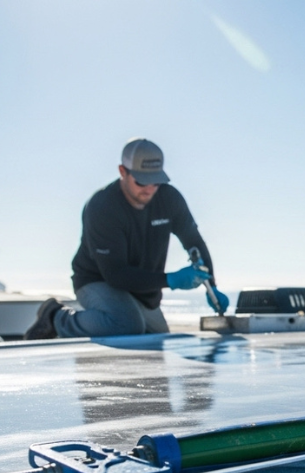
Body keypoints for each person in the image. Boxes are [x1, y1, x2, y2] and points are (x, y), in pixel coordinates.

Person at [24, 138, 229, 340]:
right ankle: (56, 317)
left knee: (159, 341)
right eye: (141, 181)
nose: (149, 188)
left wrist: (212, 285)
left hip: (143, 287)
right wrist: (171, 280)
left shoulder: (170, 199)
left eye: (156, 181)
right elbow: (115, 274)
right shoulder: (102, 207)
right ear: (123, 171)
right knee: (127, 324)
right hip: (98, 280)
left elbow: (194, 241)